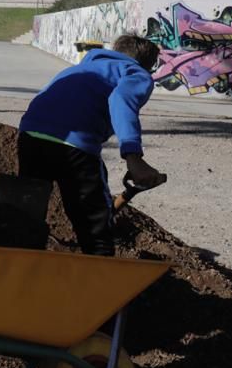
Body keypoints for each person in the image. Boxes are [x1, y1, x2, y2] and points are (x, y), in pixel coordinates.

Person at [17, 34, 163, 257]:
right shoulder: (135, 72)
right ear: (147, 64)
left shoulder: (80, 69)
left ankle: (20, 266)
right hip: (73, 145)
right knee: (95, 226)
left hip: (30, 136)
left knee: (29, 211)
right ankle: (99, 275)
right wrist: (133, 157)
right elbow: (121, 100)